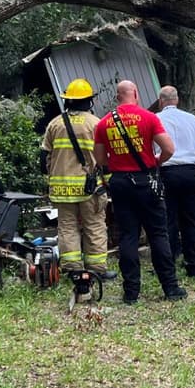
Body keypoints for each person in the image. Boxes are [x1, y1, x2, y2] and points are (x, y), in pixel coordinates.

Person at [93, 80, 188, 304]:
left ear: (117, 97)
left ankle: (131, 292)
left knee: (128, 236)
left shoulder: (104, 123)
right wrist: (155, 162)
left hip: (120, 183)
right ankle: (170, 287)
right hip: (146, 182)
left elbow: (99, 159)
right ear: (135, 93)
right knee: (158, 234)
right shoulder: (149, 117)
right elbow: (169, 149)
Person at [40, 78, 115, 283]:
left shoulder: (55, 124)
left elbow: (43, 158)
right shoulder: (96, 123)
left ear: (68, 101)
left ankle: (73, 270)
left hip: (61, 189)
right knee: (95, 227)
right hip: (89, 188)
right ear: (89, 101)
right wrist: (108, 180)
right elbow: (105, 157)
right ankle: (97, 269)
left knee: (67, 227)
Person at [155, 85, 195, 279]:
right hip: (189, 172)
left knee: (167, 220)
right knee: (191, 220)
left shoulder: (156, 119)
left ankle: (168, 265)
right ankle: (194, 265)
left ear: (161, 101)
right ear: (177, 100)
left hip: (166, 172)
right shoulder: (192, 119)